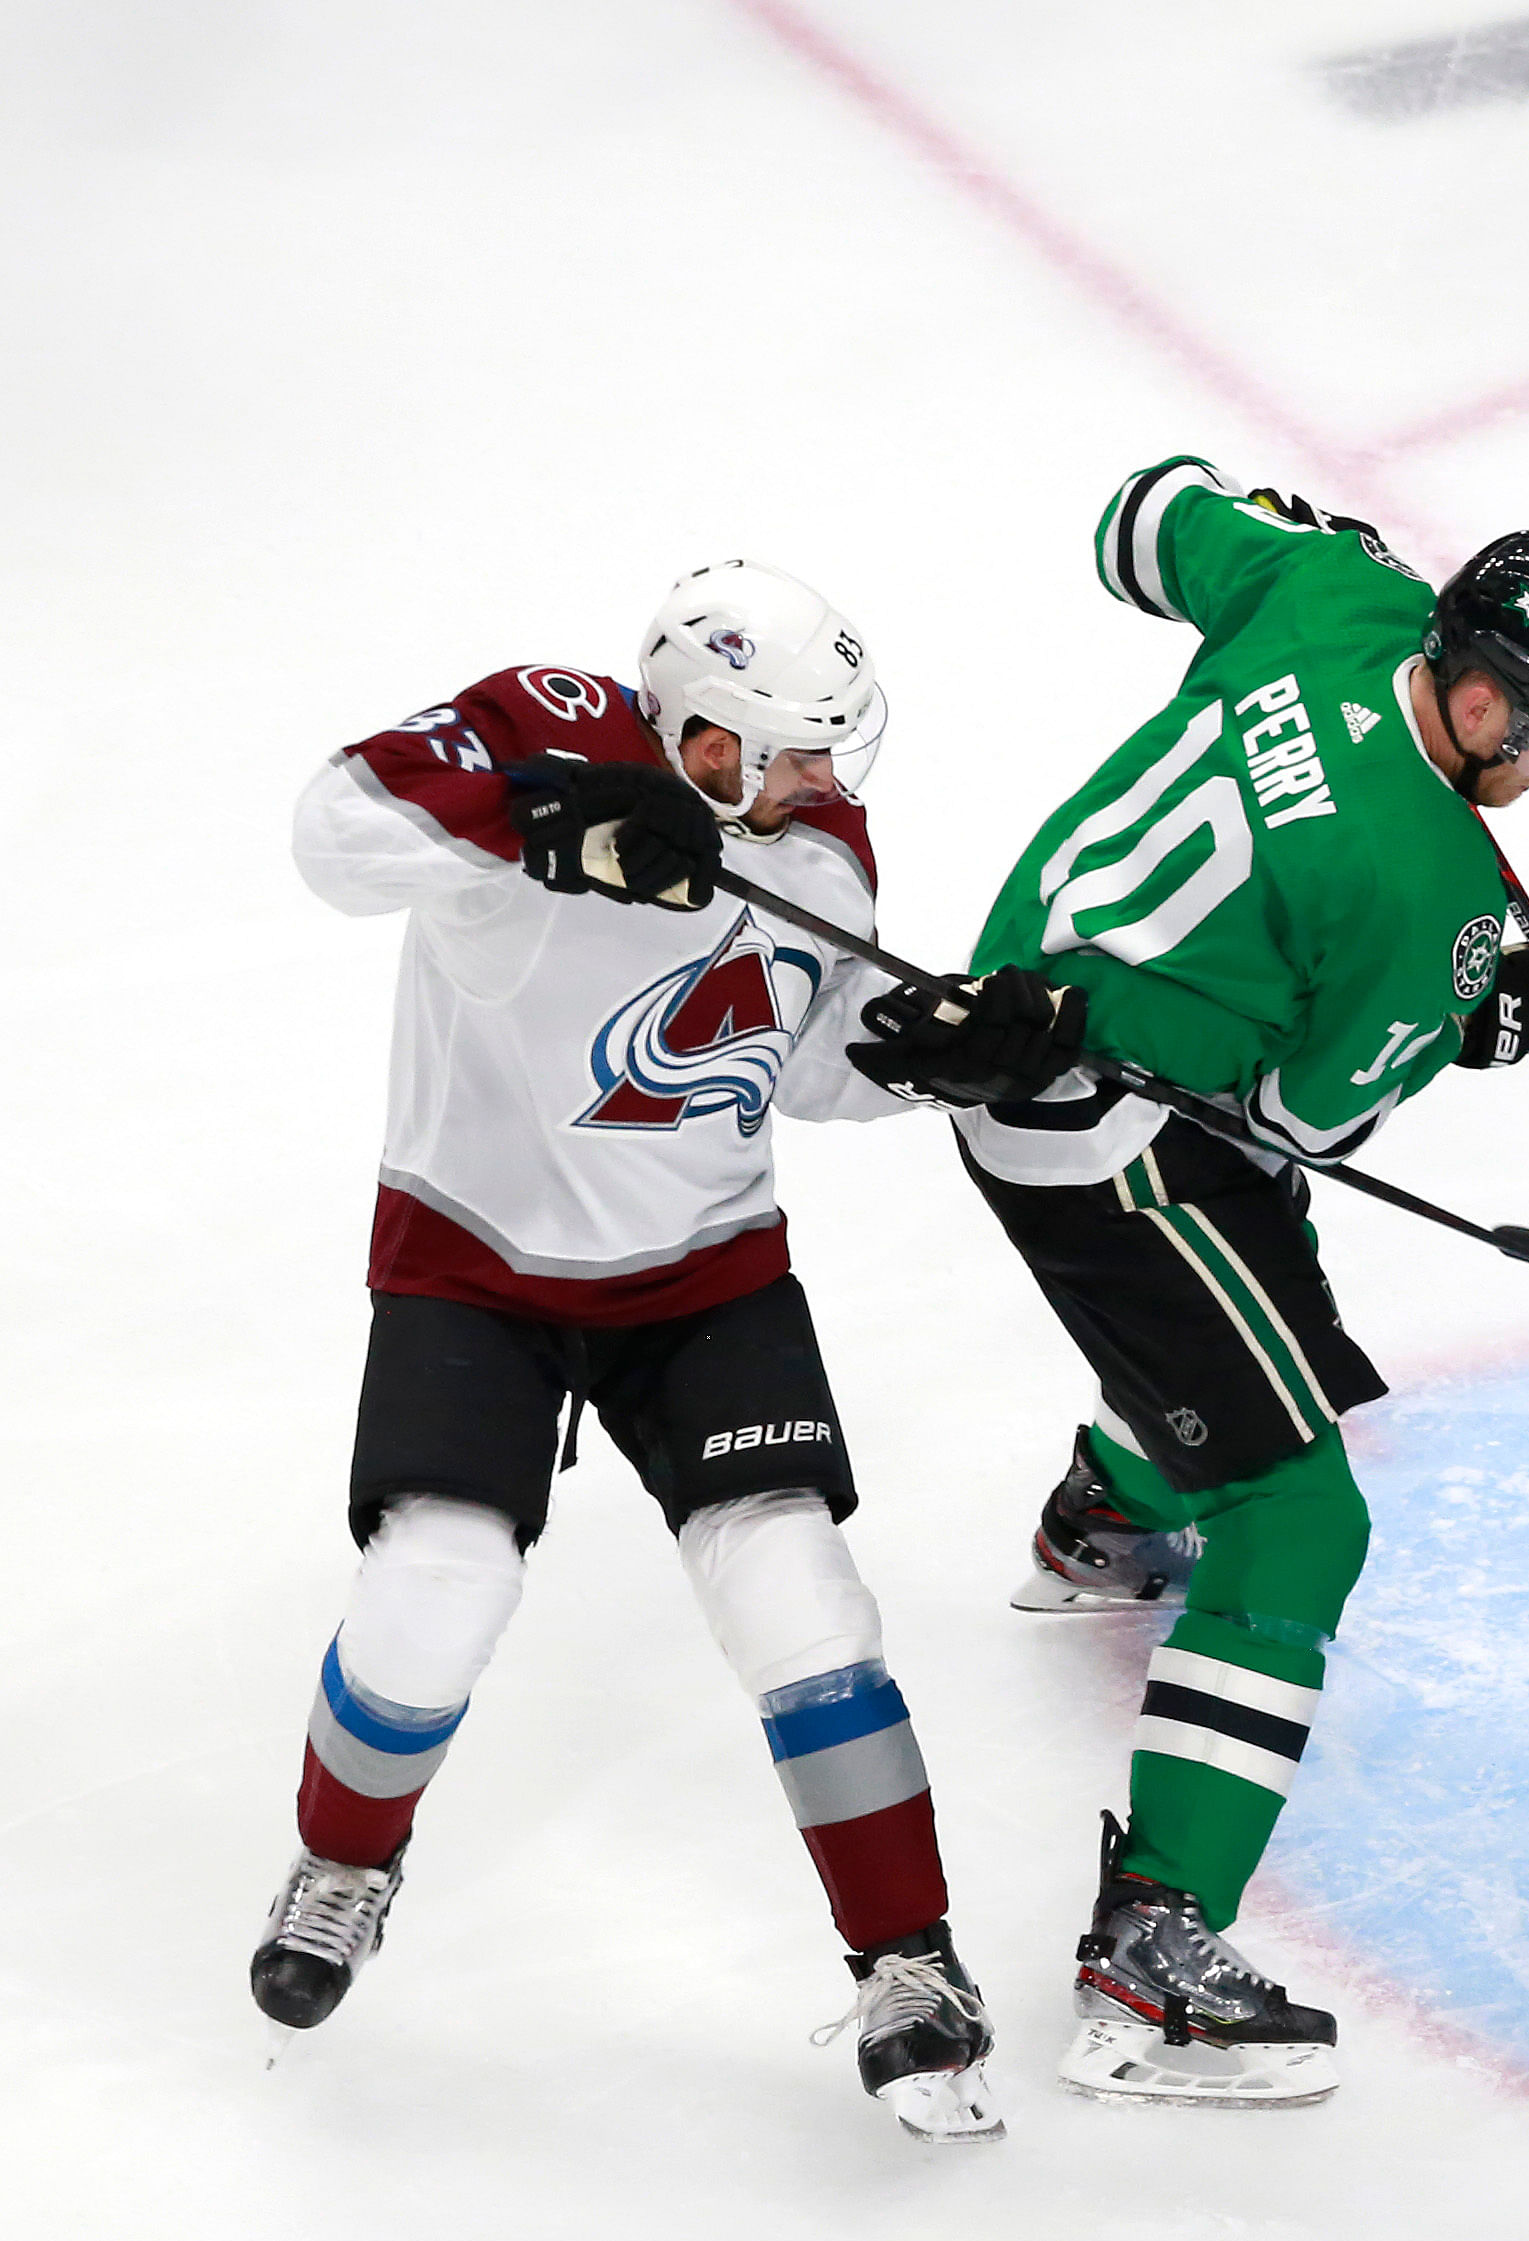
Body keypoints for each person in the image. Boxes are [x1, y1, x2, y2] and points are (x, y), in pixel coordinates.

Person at [266, 562, 1069, 2143]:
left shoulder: (822, 845)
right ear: (700, 738)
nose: (828, 785)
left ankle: (909, 1960)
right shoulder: (538, 724)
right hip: (475, 1260)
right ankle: (344, 1860)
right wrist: (539, 818)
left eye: (838, 752)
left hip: (705, 1270)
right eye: (792, 753)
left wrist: (933, 1058)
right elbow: (329, 835)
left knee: (795, 1586)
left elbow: (784, 1051)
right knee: (441, 1582)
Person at [949, 459, 1529, 2107]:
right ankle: (1156, 1955)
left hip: (1036, 993)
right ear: (1474, 695)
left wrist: (1292, 549)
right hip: (1109, 1130)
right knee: (1299, 1509)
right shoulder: (1415, 892)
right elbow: (1303, 1117)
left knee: (1281, 1344)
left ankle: (1109, 1507)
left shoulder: (1346, 597)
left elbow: (1144, 511)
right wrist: (1505, 1010)